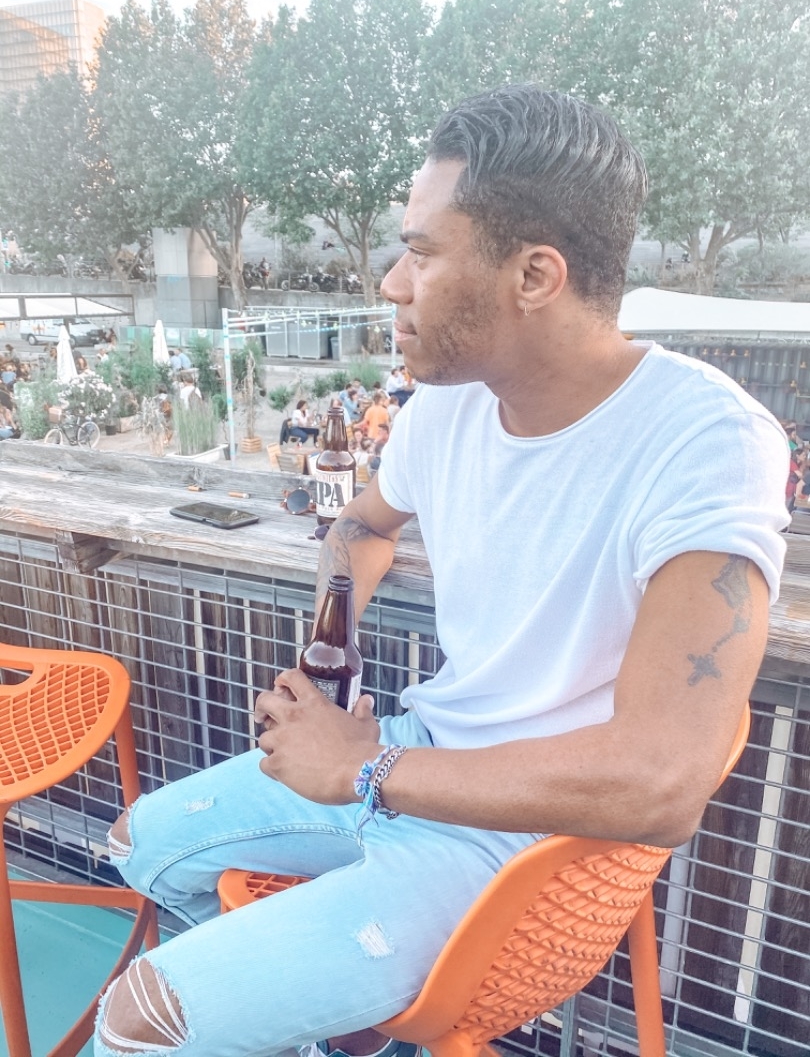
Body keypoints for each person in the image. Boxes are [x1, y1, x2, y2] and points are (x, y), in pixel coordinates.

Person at [94, 85, 788, 1057]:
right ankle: (330, 1019)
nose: (391, 284)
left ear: (534, 275)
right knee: (137, 845)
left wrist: (364, 768)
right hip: (417, 747)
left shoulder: (706, 442)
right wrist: (333, 651)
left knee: (141, 1021)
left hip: (526, 835)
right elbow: (361, 526)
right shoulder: (447, 407)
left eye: (420, 253)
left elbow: (660, 784)